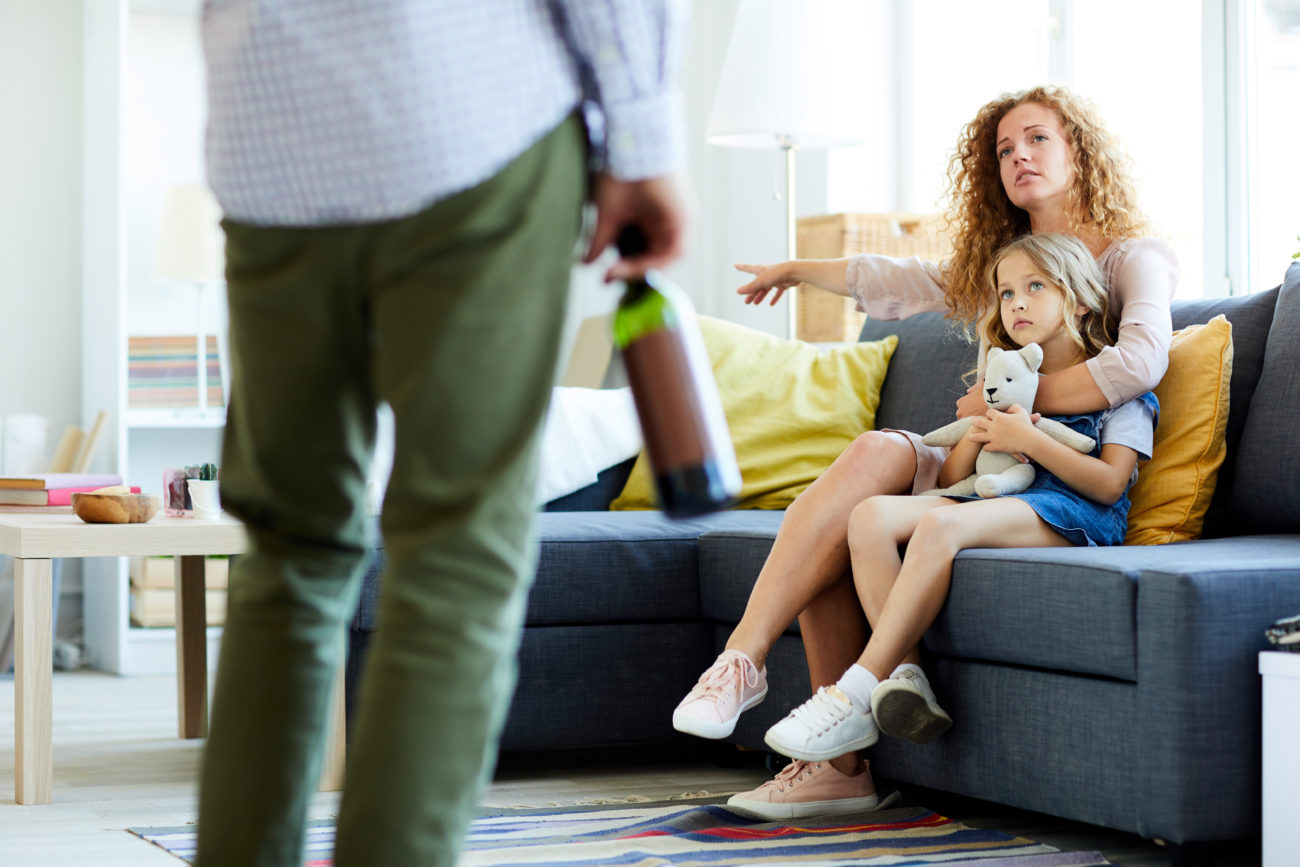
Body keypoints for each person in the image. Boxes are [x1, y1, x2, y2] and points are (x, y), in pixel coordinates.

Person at [194, 2, 689, 866]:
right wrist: (641, 133)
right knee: (455, 553)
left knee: (289, 558)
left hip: (269, 129)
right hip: (468, 113)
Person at [671, 85, 1178, 817]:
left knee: (866, 518)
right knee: (868, 462)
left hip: (1043, 466)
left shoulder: (1131, 259)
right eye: (1004, 149)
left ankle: (843, 750)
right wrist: (798, 269)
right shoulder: (1001, 267)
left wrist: (1018, 410)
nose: (1019, 157)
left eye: (1037, 139)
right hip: (984, 462)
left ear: (1080, 151)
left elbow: (1140, 363)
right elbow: (902, 280)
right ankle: (747, 662)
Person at [737, 232, 1157, 817]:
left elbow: (1111, 484)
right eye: (1007, 292)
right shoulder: (1001, 383)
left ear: (1082, 302)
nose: (1017, 303)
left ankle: (854, 691)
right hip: (994, 497)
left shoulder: (1120, 390)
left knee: (937, 531)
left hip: (1074, 512)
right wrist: (985, 432)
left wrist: (1029, 438)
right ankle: (905, 678)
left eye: (1036, 287)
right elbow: (953, 480)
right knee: (869, 517)